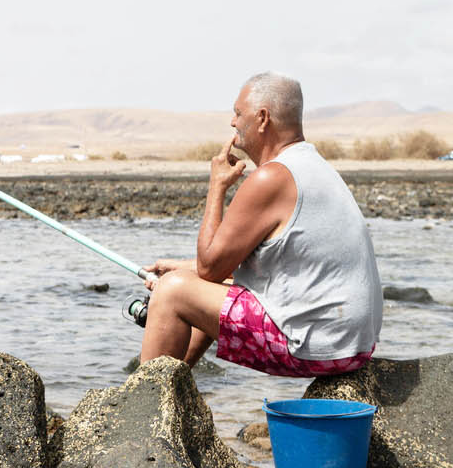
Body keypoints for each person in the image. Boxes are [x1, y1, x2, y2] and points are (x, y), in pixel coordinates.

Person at [139, 72, 381, 377]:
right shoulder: (313, 166)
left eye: (238, 113)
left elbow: (209, 268)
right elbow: (234, 267)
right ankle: (171, 388)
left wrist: (217, 187)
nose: (232, 122)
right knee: (196, 284)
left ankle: (142, 409)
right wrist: (180, 266)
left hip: (314, 346)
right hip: (350, 345)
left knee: (172, 291)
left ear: (263, 118)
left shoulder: (271, 177)